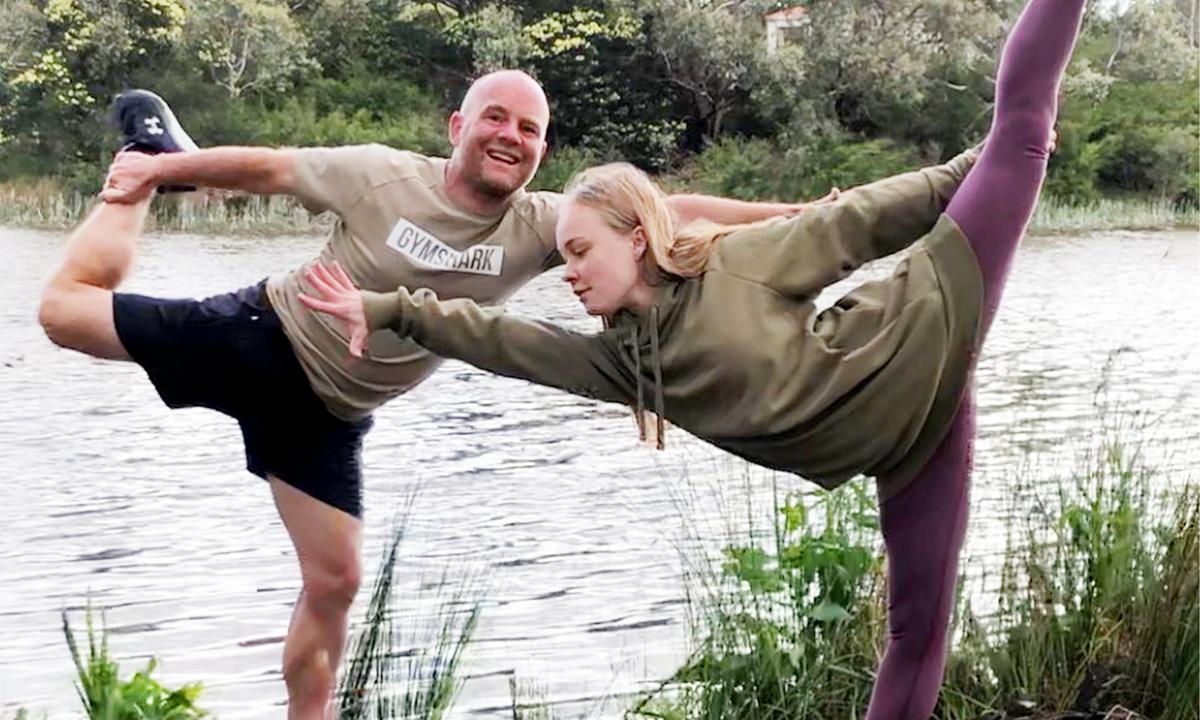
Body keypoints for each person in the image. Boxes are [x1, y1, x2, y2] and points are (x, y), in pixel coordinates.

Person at [298, 0, 1085, 715]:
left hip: (928, 324)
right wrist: (386, 308)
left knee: (1019, 134)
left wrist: (971, 176)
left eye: (579, 252)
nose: (567, 273)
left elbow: (857, 223)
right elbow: (499, 341)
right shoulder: (618, 364)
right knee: (916, 634)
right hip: (912, 443)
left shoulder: (733, 261)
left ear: (637, 239)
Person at [36, 70, 836, 718]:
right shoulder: (382, 175)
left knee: (336, 583)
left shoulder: (540, 227)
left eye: (528, 130)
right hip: (263, 338)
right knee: (62, 315)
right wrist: (163, 170)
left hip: (331, 415)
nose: (509, 137)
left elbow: (676, 212)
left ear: (542, 151)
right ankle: (133, 181)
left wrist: (801, 216)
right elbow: (272, 167)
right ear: (458, 126)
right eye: (495, 117)